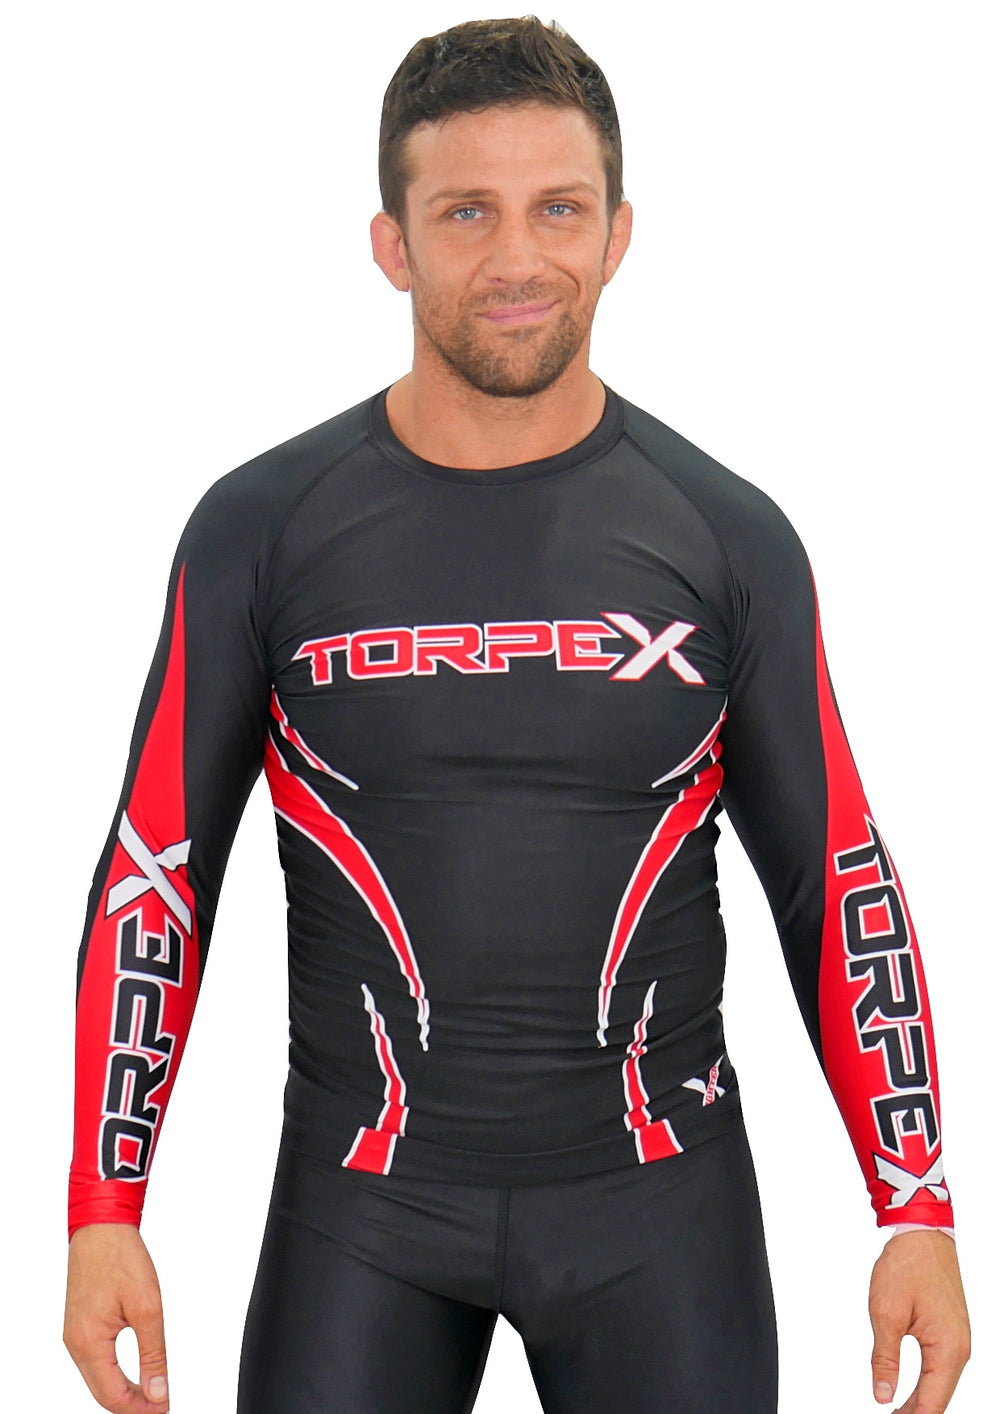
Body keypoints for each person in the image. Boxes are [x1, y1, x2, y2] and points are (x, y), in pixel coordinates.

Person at [63, 16, 971, 1414]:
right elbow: (160, 870)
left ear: (618, 235)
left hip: (659, 1214)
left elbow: (834, 871)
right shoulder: (260, 530)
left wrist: (915, 1207)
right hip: (361, 1210)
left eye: (558, 208)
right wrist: (102, 1207)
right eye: (465, 212)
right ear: (391, 244)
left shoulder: (728, 537)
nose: (516, 259)